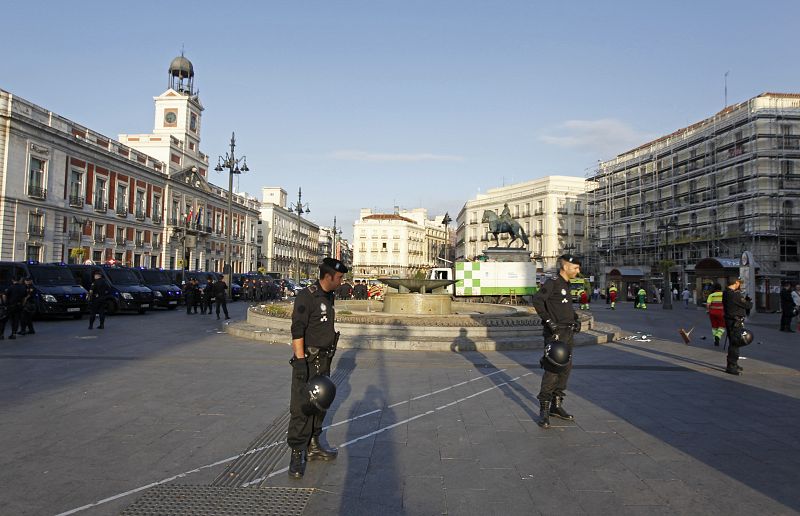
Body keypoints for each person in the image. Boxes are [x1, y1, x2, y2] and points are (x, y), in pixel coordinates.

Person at [287, 257, 348, 478]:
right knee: (302, 407)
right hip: (308, 361)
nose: (342, 281)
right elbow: (297, 330)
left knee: (320, 405)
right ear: (328, 276)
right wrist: (301, 362)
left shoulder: (328, 296)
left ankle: (313, 446)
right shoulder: (307, 296)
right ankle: (296, 454)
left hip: (324, 360)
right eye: (339, 277)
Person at [530, 254, 581, 429]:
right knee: (552, 370)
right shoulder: (552, 282)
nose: (578, 271)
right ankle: (544, 410)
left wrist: (575, 319)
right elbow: (537, 300)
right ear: (566, 267)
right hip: (556, 333)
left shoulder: (567, 284)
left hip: (568, 332)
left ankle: (556, 406)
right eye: (575, 268)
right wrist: (548, 321)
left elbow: (565, 306)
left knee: (565, 369)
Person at [722, 277, 752, 376]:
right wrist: (747, 300)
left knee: (734, 342)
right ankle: (731, 366)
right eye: (739, 282)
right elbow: (748, 306)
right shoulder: (735, 295)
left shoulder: (726, 292)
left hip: (730, 320)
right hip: (735, 322)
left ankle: (734, 363)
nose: (740, 284)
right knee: (735, 344)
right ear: (736, 282)